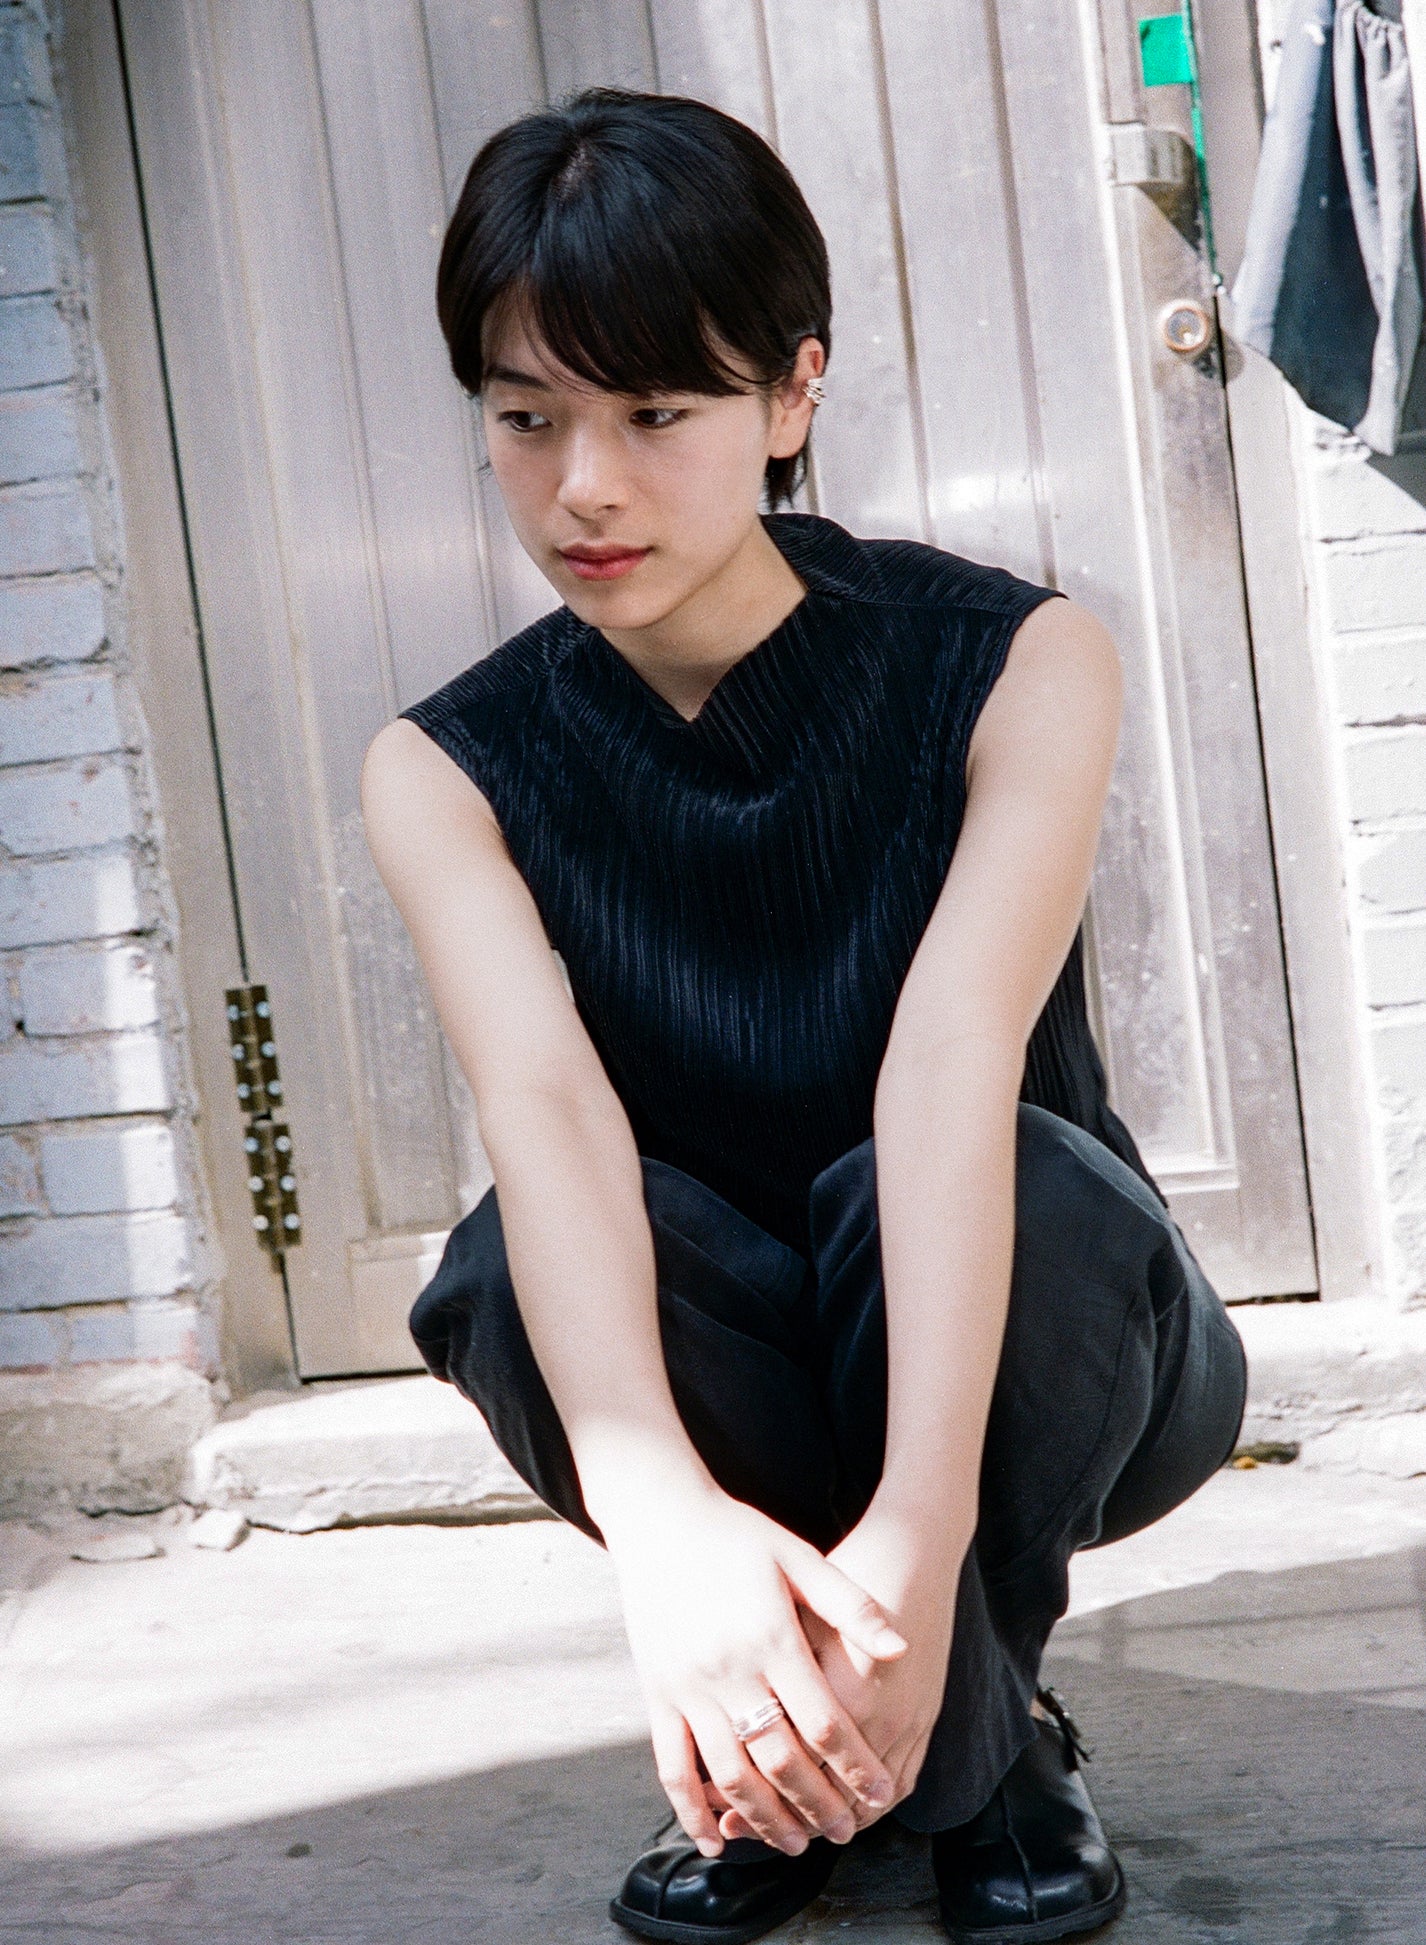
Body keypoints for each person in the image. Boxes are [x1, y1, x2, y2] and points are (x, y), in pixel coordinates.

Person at [361, 86, 1247, 1945]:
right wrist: (667, 1540)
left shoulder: (1010, 659)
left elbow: (946, 1071)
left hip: (1057, 1336)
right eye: (524, 418)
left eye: (653, 413)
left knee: (1007, 1172)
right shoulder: (447, 767)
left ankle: (917, 1744)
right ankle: (823, 1745)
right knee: (511, 1253)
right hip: (716, 1366)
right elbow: (549, 1117)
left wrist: (915, 1533)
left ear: (790, 394)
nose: (581, 487)